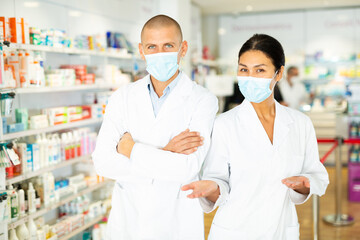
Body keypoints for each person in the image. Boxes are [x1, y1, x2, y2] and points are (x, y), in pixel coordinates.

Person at [181, 34, 329, 240]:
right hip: (235, 230)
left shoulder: (300, 124)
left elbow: (317, 175)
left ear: (278, 73)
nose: (250, 77)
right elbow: (218, 180)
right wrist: (211, 187)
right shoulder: (224, 124)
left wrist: (304, 184)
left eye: (260, 70)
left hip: (281, 228)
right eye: (244, 70)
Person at [92, 15, 218, 240]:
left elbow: (186, 168)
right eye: (152, 47)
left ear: (183, 48)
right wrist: (165, 154)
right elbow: (102, 163)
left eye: (168, 46)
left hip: (176, 220)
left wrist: (130, 150)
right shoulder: (122, 97)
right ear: (142, 50)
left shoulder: (202, 99)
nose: (160, 53)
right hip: (129, 220)